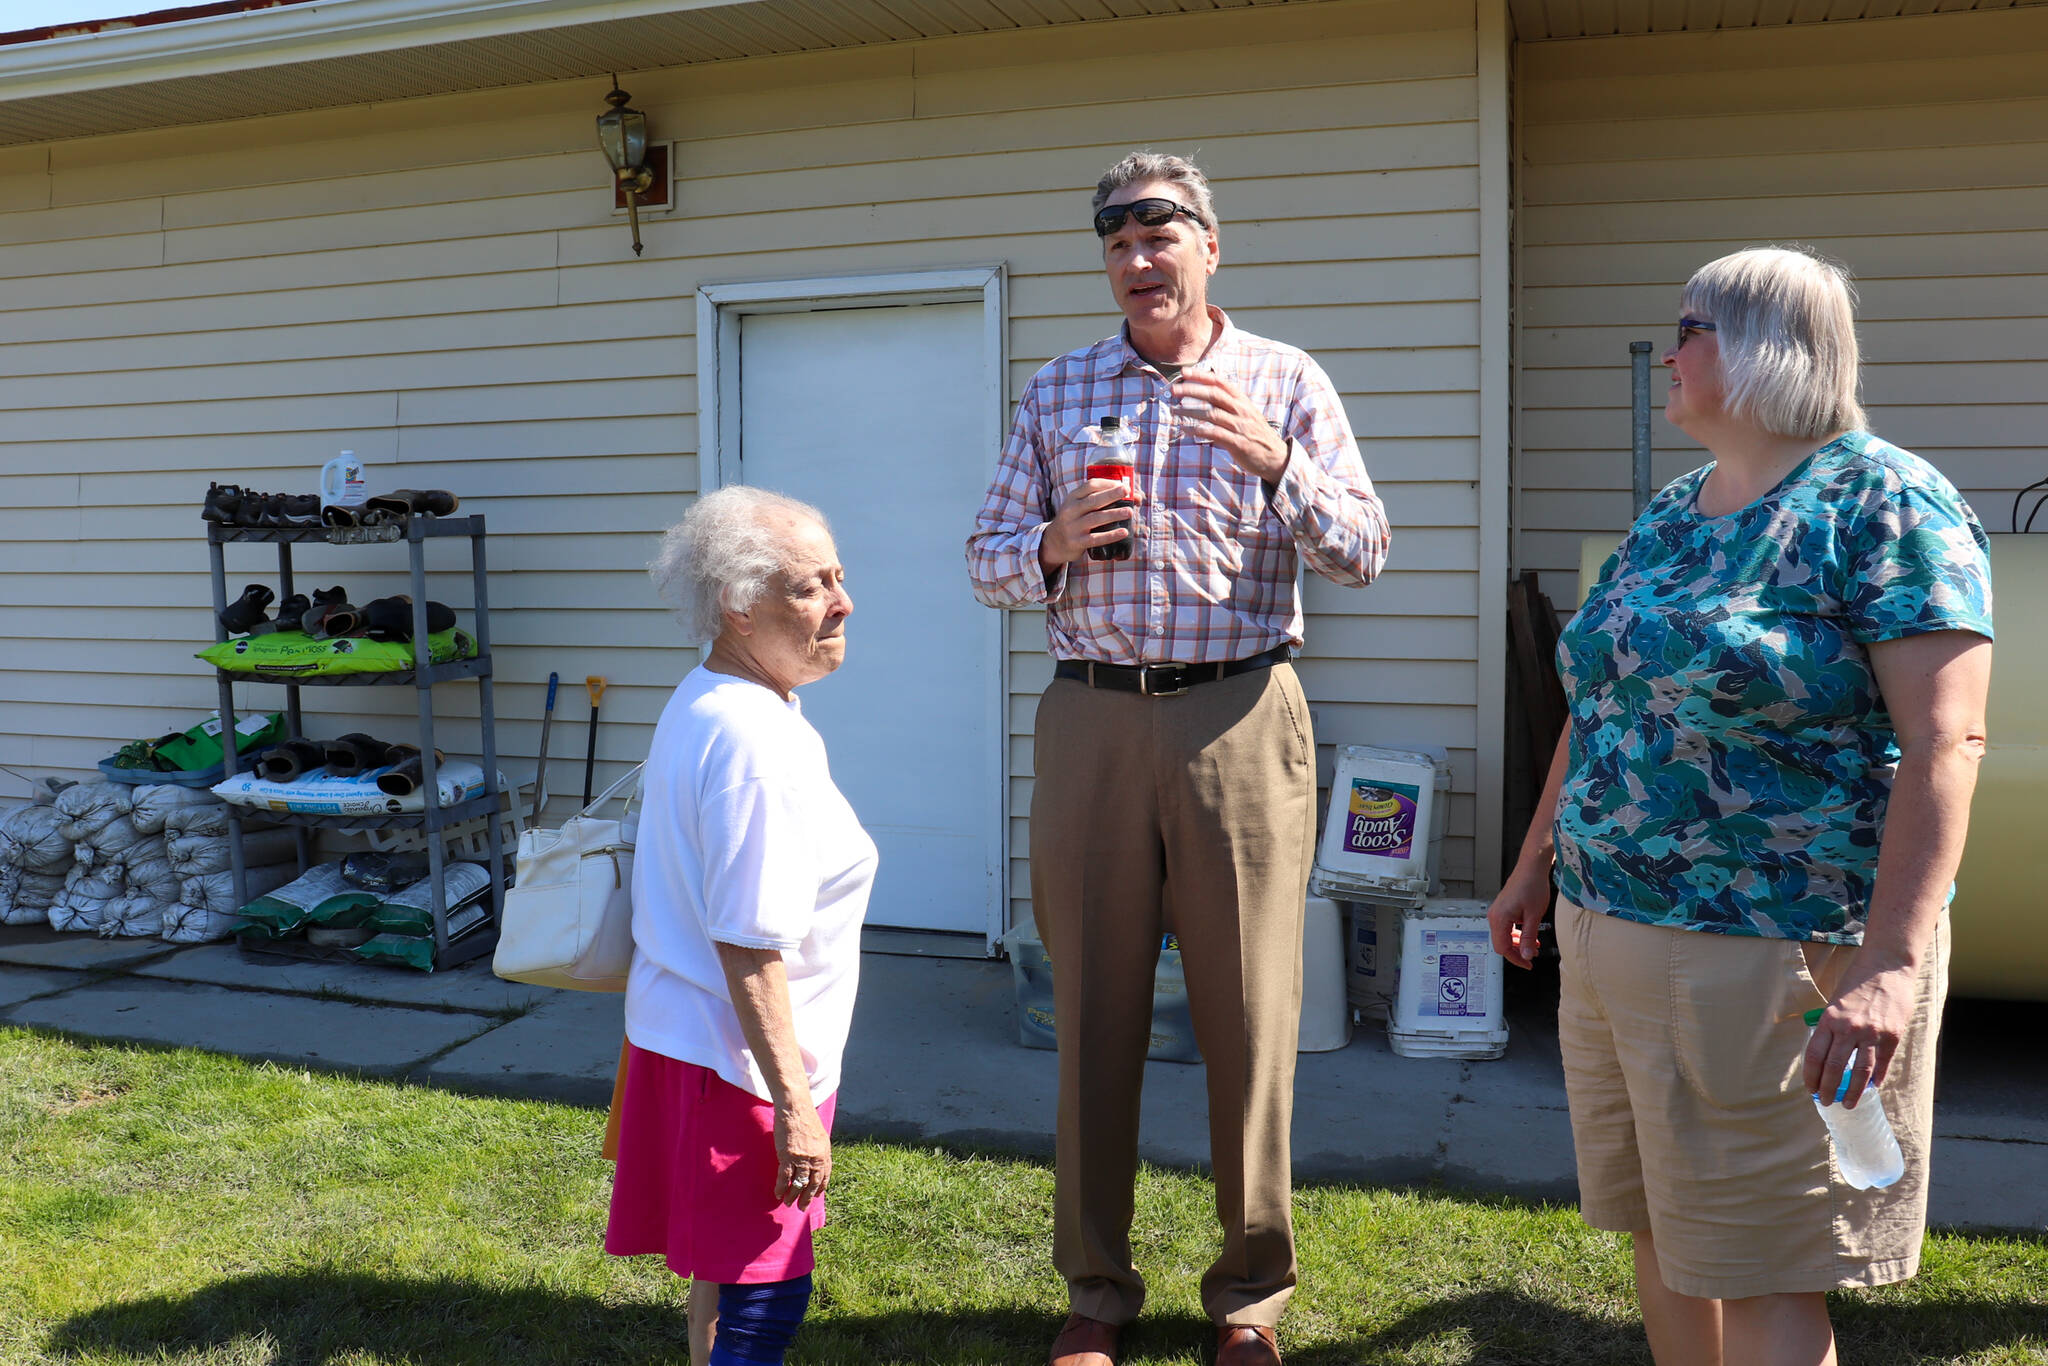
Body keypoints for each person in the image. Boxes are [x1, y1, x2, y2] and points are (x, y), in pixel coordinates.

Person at [1488, 246, 1994, 1366]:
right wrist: (1534, 864)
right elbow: (1601, 702)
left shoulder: (1885, 503)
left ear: (1766, 346)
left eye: (1690, 329)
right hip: (1607, 923)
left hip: (1776, 953)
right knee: (1666, 1234)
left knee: (1767, 1266)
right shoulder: (1673, 509)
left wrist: (1891, 964)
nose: (1667, 353)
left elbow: (1943, 740)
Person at [966, 152, 1390, 1366]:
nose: (1137, 261)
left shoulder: (1284, 381)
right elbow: (982, 560)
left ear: (1210, 247)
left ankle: (1248, 1295)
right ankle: (1095, 1292)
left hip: (1240, 718)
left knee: (1249, 1014)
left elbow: (1362, 548)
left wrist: (1276, 463)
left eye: (1160, 238)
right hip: (1092, 718)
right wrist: (1047, 542)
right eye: (1116, 243)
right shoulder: (1058, 391)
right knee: (1090, 1006)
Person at [608, 485, 875, 1366]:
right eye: (810, 587)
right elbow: (750, 940)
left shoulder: (714, 696)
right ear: (737, 603)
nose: (842, 603)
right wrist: (795, 1109)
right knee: (768, 1284)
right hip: (741, 1068)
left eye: (837, 577)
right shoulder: (758, 743)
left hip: (697, 1045)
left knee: (721, 1274)